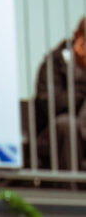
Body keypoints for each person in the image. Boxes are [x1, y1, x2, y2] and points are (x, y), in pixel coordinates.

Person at [34, 16, 86, 170]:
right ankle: (71, 184)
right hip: (55, 135)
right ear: (77, 37)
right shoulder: (55, 63)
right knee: (67, 125)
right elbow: (50, 105)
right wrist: (81, 81)